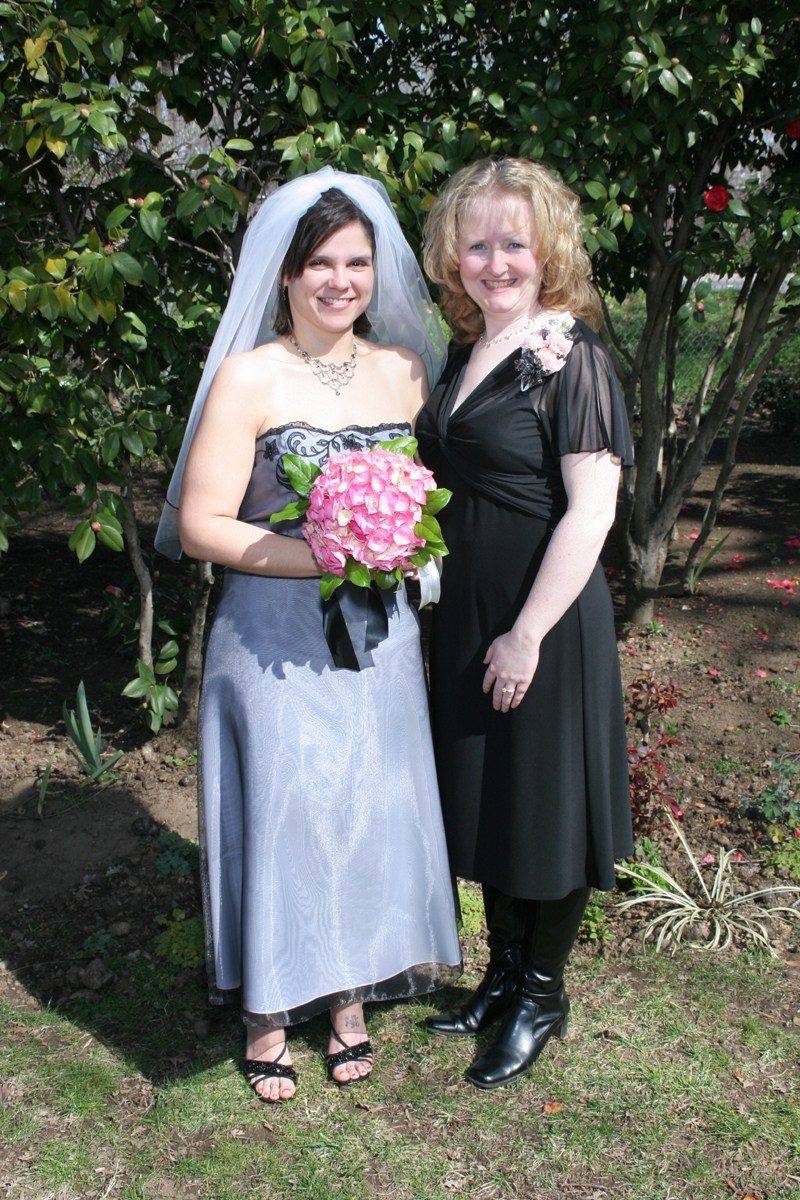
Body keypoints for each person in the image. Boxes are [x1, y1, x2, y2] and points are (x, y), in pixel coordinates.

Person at [159, 169, 461, 1102]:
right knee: (287, 810)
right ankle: (268, 1007)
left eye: (357, 262)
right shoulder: (250, 377)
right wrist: (334, 554)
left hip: (382, 637)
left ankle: (349, 995)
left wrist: (398, 546)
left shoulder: (405, 371)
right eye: (320, 263)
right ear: (285, 274)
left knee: (365, 804)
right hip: (272, 631)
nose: (341, 280)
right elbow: (202, 526)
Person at [416, 157, 634, 1090]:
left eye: (515, 243)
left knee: (542, 803)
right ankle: (501, 976)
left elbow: (592, 511)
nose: (496, 262)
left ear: (549, 251)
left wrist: (527, 634)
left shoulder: (572, 359)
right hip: (469, 613)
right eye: (478, 245)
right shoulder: (462, 352)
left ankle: (542, 994)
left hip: (542, 619)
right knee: (491, 796)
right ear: (452, 256)